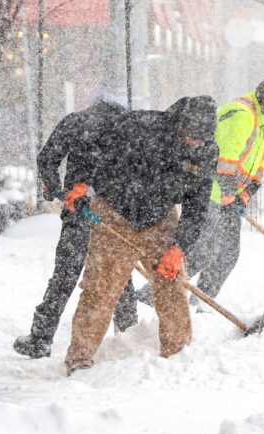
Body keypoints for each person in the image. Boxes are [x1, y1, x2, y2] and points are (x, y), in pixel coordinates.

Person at [64, 96, 219, 375]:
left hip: (160, 218)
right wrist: (78, 183)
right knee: (101, 288)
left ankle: (179, 354)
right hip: (115, 211)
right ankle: (79, 358)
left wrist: (179, 247)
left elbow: (197, 208)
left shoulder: (206, 153)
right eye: (191, 137)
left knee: (173, 284)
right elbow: (88, 147)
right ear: (179, 127)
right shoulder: (140, 126)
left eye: (202, 139)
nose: (195, 144)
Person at [13, 94, 138, 359]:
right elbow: (132, 173)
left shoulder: (78, 121)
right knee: (118, 274)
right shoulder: (127, 128)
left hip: (79, 211)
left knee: (65, 275)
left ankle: (40, 338)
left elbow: (47, 158)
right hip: (113, 214)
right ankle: (128, 335)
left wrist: (55, 188)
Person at [190, 75, 264, 300]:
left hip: (229, 199)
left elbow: (259, 169)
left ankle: (202, 301)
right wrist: (229, 196)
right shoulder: (242, 115)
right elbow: (224, 160)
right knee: (202, 252)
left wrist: (245, 196)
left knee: (226, 255)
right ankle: (154, 294)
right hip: (211, 194)